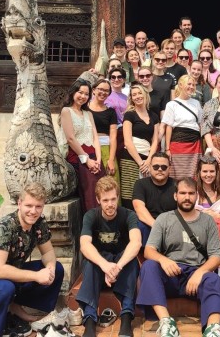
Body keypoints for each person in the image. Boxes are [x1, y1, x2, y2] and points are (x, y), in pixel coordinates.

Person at [0, 183, 64, 337]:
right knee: (5, 288)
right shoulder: (5, 227)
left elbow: (48, 251)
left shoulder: (39, 223)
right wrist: (37, 276)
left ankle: (14, 306)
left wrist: (49, 269)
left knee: (57, 269)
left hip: (8, 276)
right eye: (29, 205)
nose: (33, 211)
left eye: (38, 206)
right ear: (19, 203)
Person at [136, 178, 220, 337]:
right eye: (183, 193)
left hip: (195, 277)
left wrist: (200, 272)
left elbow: (216, 256)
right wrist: (163, 260)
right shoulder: (164, 219)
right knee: (149, 266)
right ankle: (166, 322)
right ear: (175, 196)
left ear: (196, 196)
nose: (187, 197)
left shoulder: (208, 221)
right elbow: (149, 250)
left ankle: (213, 328)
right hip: (171, 273)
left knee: (214, 280)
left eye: (191, 193)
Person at [77, 177, 141, 337]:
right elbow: (84, 245)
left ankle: (126, 318)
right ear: (98, 200)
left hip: (121, 266)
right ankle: (90, 321)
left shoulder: (129, 215)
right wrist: (105, 265)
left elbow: (136, 243)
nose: (110, 204)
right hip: (100, 268)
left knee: (131, 260)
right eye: (105, 200)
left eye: (113, 199)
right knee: (91, 262)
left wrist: (117, 267)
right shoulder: (91, 216)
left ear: (118, 197)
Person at [59, 80, 104, 212]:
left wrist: (98, 161)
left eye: (86, 94)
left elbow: (95, 137)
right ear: (73, 92)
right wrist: (87, 160)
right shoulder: (66, 111)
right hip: (77, 156)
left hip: (93, 157)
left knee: (102, 190)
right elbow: (71, 139)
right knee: (90, 192)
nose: (83, 96)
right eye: (80, 92)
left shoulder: (88, 113)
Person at [120, 84, 161, 210]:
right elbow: (127, 141)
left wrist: (148, 160)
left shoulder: (154, 116)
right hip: (131, 156)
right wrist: (140, 162)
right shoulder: (129, 115)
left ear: (145, 94)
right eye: (134, 95)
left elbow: (155, 141)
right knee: (129, 192)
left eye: (139, 93)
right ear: (131, 98)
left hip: (147, 156)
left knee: (146, 192)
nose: (137, 96)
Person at [162, 75, 203, 179]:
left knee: (194, 174)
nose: (191, 86)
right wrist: (167, 149)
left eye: (193, 85)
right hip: (178, 143)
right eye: (189, 84)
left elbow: (200, 124)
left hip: (195, 143)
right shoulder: (171, 105)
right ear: (180, 85)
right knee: (177, 174)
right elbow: (169, 127)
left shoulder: (196, 103)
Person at [132, 152, 177, 244]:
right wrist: (157, 227)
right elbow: (139, 208)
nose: (160, 169)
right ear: (149, 167)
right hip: (148, 224)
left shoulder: (177, 185)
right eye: (156, 167)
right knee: (138, 225)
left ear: (170, 169)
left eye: (164, 167)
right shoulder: (140, 184)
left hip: (172, 226)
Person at [89, 79, 118, 177]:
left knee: (110, 180)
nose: (103, 92)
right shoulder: (84, 108)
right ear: (93, 90)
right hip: (88, 147)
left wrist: (111, 159)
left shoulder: (111, 112)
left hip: (105, 147)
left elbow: (113, 137)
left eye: (106, 91)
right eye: (100, 89)